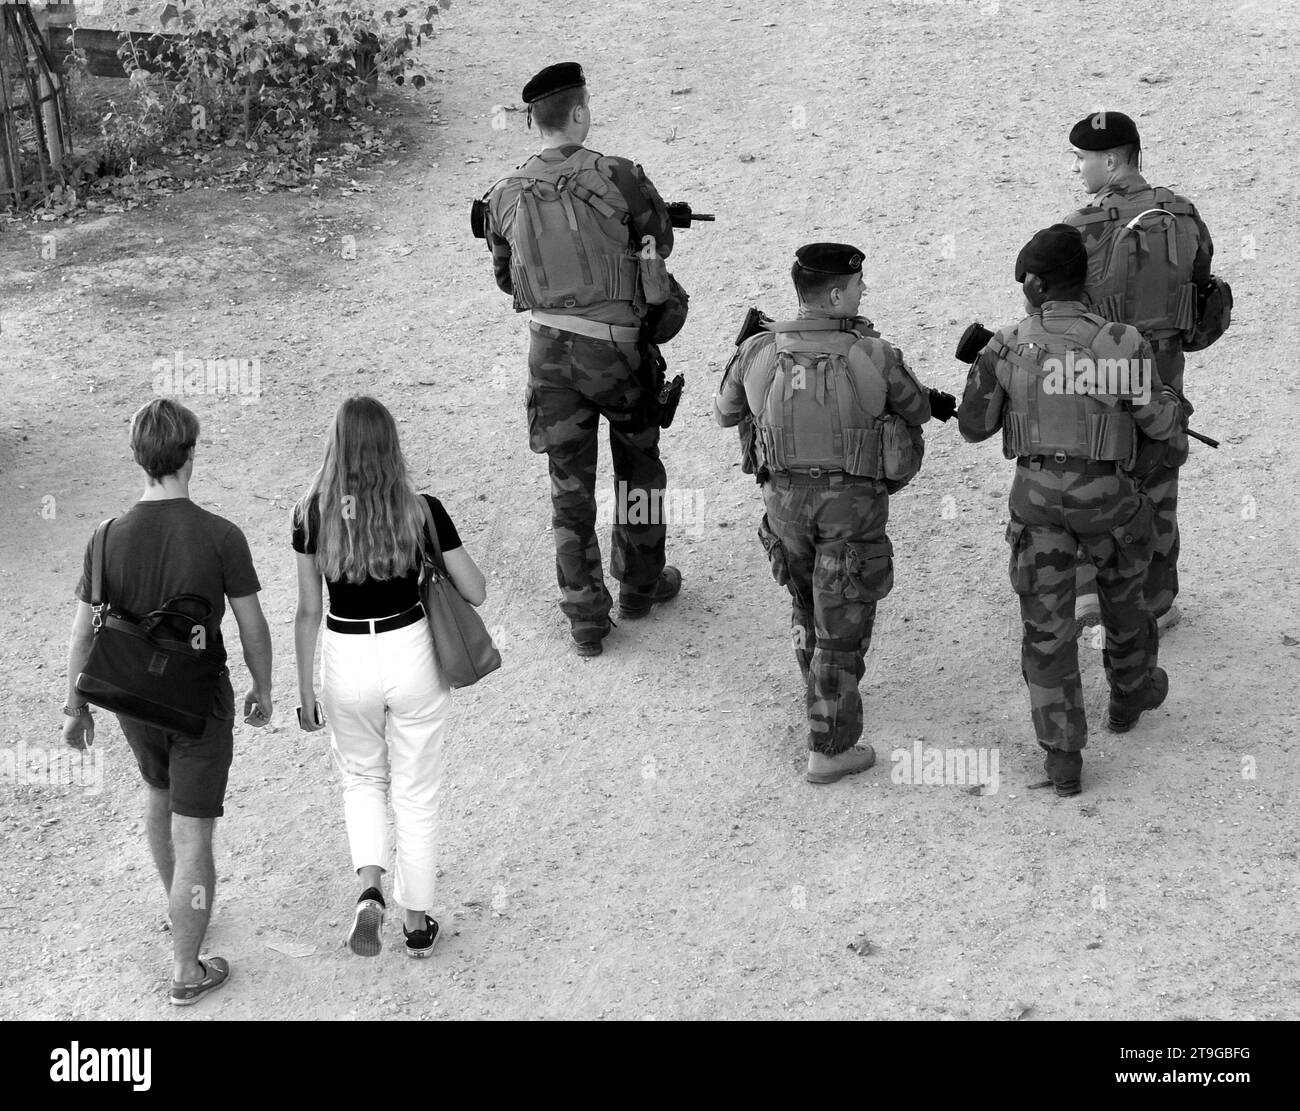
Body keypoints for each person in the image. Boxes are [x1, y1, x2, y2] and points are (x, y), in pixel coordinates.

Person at [958, 225, 1187, 796]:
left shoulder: (1006, 344)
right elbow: (1160, 424)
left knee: (1046, 631)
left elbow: (973, 426)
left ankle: (1063, 759)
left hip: (1036, 504)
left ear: (1034, 284)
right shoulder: (1120, 341)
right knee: (1125, 599)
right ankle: (1130, 694)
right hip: (1108, 499)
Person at [715, 244, 954, 784]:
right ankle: (830, 746)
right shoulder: (871, 353)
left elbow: (724, 412)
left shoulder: (758, 349)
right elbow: (916, 409)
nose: (864, 290)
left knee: (806, 600)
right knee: (842, 624)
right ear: (838, 294)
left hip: (785, 505)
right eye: (859, 283)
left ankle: (819, 692)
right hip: (851, 506)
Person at [62, 398, 273, 1005]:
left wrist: (75, 708)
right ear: (190, 453)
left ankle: (177, 905)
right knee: (195, 833)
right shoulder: (219, 535)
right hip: (198, 703)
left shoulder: (104, 539)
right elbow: (251, 625)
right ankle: (186, 970)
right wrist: (263, 686)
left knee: (159, 795)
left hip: (133, 698)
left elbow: (83, 633)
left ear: (139, 458)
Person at [480, 61, 681, 657]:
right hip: (617, 353)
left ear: (533, 123)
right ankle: (640, 585)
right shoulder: (619, 175)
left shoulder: (503, 193)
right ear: (579, 112)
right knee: (638, 467)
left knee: (568, 489)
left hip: (548, 354)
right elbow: (659, 241)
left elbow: (504, 276)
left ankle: (585, 617)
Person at [292, 396, 486, 959]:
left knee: (361, 779)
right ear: (391, 445)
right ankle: (417, 924)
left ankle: (369, 890)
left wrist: (305, 691)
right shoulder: (420, 510)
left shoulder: (309, 513)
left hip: (344, 654)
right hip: (410, 652)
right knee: (417, 791)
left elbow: (307, 611)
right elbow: (474, 590)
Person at [1060, 110, 1214, 635]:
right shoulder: (1184, 214)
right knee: (1159, 476)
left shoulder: (1080, 227)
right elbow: (1204, 290)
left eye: (1082, 160)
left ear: (1109, 159)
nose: (1080, 170)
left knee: (1094, 475)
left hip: (1101, 368)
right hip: (1165, 366)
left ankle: (1088, 592)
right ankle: (1157, 600)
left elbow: (1056, 308)